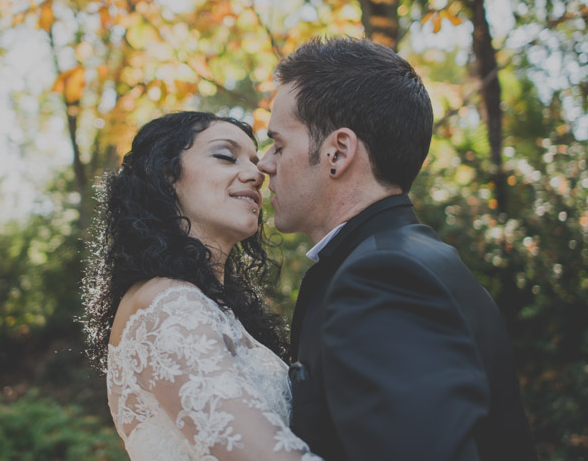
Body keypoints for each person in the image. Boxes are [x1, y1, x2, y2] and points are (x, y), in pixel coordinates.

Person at [257, 37, 537, 461]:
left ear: (338, 152)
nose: (264, 164)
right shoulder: (411, 259)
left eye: (278, 145)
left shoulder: (381, 280)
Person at [83, 111, 322, 461]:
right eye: (226, 156)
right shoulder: (167, 302)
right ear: (167, 176)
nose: (256, 174)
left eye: (256, 161)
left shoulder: (211, 307)